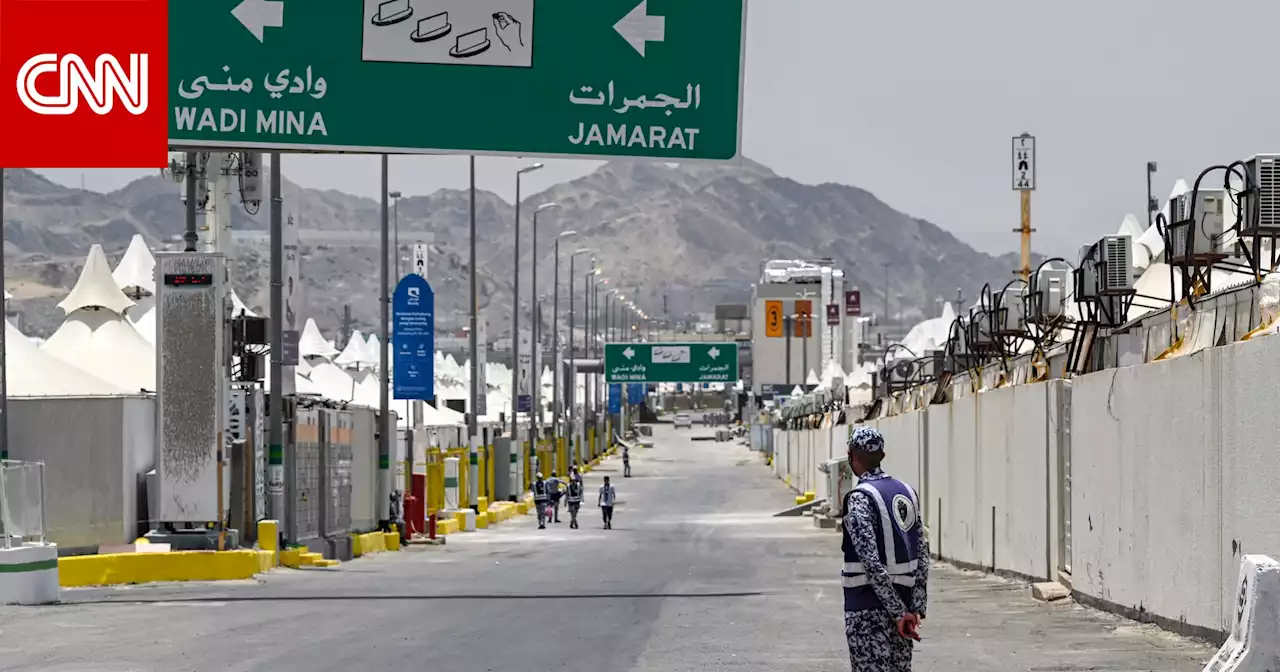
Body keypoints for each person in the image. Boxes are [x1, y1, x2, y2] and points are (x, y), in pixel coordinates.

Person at [840, 426, 928, 672]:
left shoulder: (860, 497)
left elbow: (870, 562)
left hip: (867, 610)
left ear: (852, 456)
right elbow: (922, 554)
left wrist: (899, 613)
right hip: (903, 610)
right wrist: (914, 609)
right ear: (883, 455)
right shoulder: (907, 492)